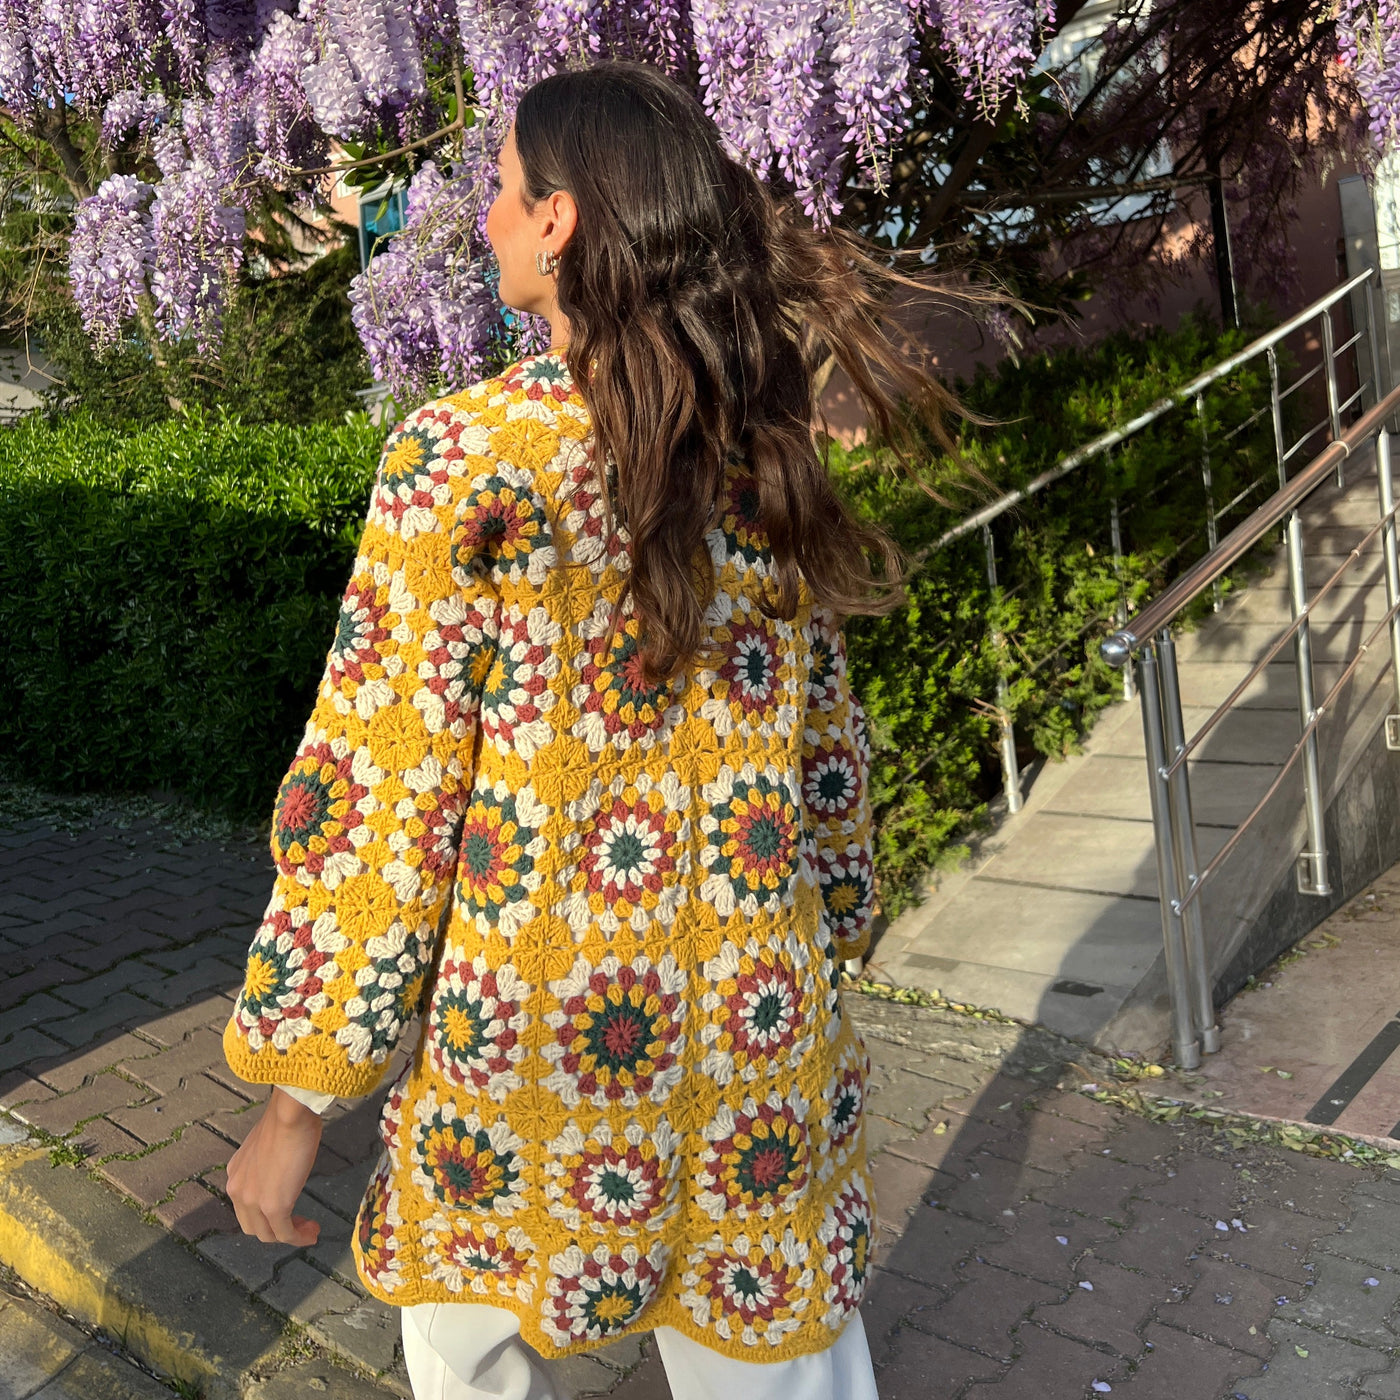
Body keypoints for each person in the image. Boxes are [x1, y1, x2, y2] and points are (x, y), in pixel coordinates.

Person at [222, 59, 965, 1400]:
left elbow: (384, 799)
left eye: (502, 190)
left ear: (560, 221)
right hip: (752, 1033)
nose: (490, 217)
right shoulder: (758, 456)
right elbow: (827, 760)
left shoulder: (464, 463)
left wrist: (298, 1102)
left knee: (473, 1358)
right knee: (788, 1374)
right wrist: (841, 918)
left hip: (533, 1054)